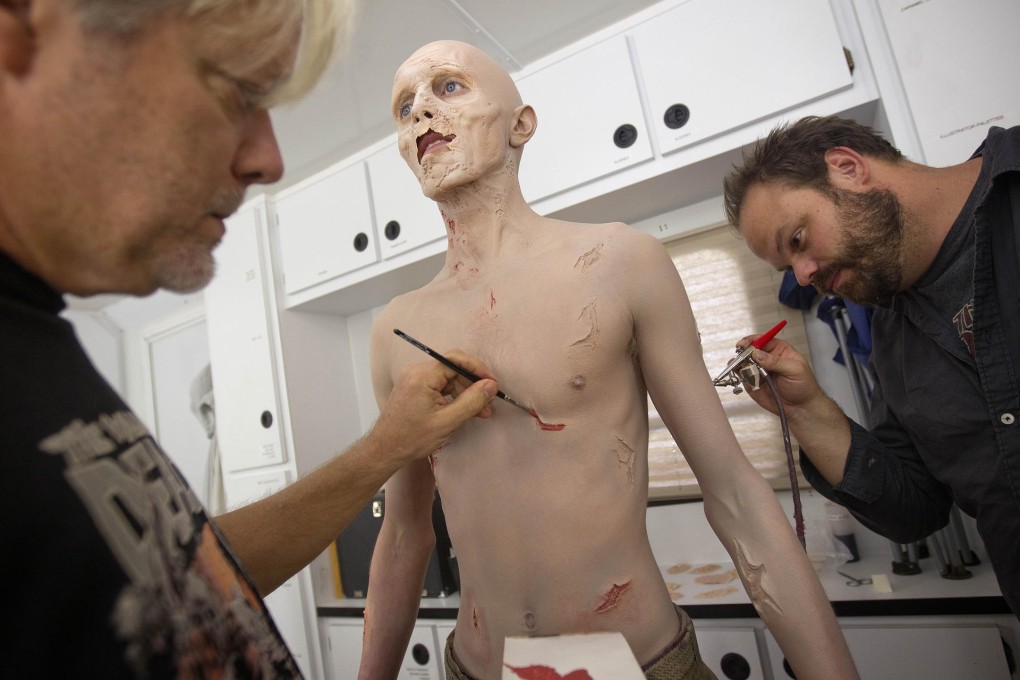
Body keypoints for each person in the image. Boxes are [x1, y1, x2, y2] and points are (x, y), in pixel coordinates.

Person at [0, 1, 499, 676]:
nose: (269, 161)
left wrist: (385, 447)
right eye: (237, 89)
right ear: (20, 29)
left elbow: (172, 578)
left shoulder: (37, 338)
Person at [361, 40, 857, 680]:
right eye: (404, 108)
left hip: (641, 662)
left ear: (522, 124)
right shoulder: (395, 331)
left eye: (448, 87)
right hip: (478, 668)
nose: (421, 112)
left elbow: (732, 489)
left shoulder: (621, 263)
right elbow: (403, 536)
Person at [722, 115, 1020, 617]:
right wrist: (807, 410)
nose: (803, 274)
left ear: (847, 168)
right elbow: (915, 509)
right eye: (787, 267)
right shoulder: (890, 334)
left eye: (796, 240)